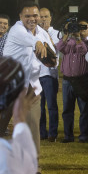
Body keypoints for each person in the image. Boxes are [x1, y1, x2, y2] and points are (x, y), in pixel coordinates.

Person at [2, 1, 56, 174]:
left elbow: (53, 57)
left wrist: (52, 59)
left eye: (35, 16)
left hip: (31, 88)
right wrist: (39, 43)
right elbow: (32, 42)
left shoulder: (42, 32)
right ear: (20, 17)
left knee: (33, 128)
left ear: (39, 17)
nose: (32, 19)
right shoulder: (16, 30)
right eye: (27, 16)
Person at [56, 19, 88, 143]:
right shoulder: (67, 42)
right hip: (67, 81)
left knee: (84, 110)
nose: (77, 31)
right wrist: (66, 34)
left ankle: (83, 136)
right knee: (67, 110)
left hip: (81, 80)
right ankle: (68, 136)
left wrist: (78, 38)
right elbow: (59, 47)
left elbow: (83, 51)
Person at [38, 8, 60, 142]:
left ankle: (52, 133)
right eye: (41, 17)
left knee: (51, 106)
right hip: (37, 74)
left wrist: (46, 35)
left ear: (51, 18)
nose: (44, 19)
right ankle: (41, 133)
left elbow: (56, 49)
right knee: (39, 107)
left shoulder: (56, 33)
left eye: (46, 16)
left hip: (50, 74)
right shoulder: (34, 33)